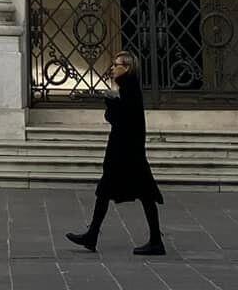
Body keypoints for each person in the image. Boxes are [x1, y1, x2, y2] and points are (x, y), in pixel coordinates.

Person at [66, 53, 165, 256]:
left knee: (143, 194)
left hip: (127, 153)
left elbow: (122, 118)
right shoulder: (128, 87)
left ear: (127, 68)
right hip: (126, 151)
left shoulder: (129, 88)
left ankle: (155, 241)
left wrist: (110, 103)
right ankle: (92, 235)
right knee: (109, 191)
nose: (112, 68)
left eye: (116, 65)